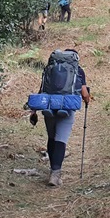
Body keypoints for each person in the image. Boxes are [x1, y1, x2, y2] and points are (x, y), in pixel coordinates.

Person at [29, 48, 90, 186]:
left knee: (51, 138)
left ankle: (53, 168)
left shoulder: (51, 68)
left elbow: (42, 89)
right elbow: (84, 93)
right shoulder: (77, 70)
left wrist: (34, 110)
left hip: (49, 105)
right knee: (60, 139)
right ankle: (55, 175)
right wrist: (86, 99)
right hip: (66, 108)